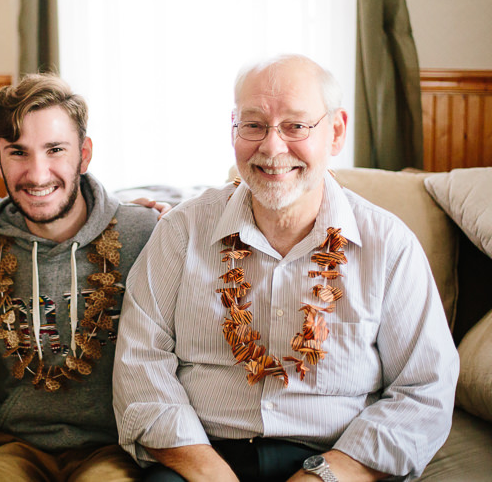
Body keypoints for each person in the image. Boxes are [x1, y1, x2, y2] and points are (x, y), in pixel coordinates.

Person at [112, 54, 459, 482]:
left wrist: (327, 475)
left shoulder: (389, 245)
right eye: (254, 125)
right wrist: (208, 472)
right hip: (201, 459)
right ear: (234, 129)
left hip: (333, 463)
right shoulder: (181, 232)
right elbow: (140, 363)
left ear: (335, 132)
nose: (272, 148)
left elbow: (425, 390)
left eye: (295, 126)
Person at [0, 73, 158, 481]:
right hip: (14, 444)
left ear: (83, 155)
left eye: (55, 150)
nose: (37, 174)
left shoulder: (143, 233)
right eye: (18, 152)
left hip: (114, 446)